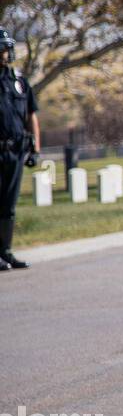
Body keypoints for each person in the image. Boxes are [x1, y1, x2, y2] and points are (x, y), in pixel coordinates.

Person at [0, 27, 39, 272]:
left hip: (16, 150)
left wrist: (35, 147)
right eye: (1, 49)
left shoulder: (19, 82)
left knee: (9, 206)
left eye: (6, 48)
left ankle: (5, 251)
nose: (5, 53)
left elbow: (32, 115)